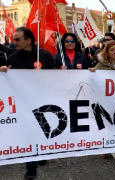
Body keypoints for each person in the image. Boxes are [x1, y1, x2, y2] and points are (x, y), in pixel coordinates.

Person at [0, 27, 56, 179]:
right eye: (14, 39)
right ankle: (30, 166)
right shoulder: (12, 57)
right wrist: (3, 71)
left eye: (17, 39)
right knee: (28, 134)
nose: (14, 42)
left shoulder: (44, 55)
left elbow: (56, 76)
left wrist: (53, 72)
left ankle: (41, 152)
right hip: (23, 103)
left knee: (43, 130)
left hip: (43, 101)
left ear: (29, 40)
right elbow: (8, 80)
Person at [89, 41, 115, 169]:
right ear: (106, 51)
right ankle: (106, 146)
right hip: (106, 100)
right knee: (108, 124)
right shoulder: (100, 65)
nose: (114, 52)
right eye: (112, 50)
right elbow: (93, 80)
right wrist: (92, 72)